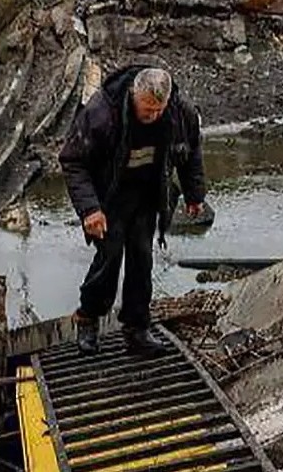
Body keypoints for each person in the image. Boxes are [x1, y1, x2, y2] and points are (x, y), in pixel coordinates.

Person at [59, 65, 206, 356]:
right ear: (133, 94)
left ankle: (137, 327)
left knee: (142, 259)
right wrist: (90, 210)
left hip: (148, 194)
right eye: (145, 109)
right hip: (110, 196)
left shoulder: (180, 112)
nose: (151, 116)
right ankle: (88, 317)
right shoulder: (102, 112)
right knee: (109, 259)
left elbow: (190, 152)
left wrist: (194, 194)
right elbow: (73, 161)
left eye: (157, 111)